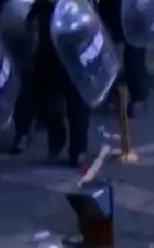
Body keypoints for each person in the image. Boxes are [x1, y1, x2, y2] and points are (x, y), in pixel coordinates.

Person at [20, 0, 91, 165]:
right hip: (49, 52)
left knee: (77, 104)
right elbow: (31, 18)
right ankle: (57, 141)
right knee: (49, 103)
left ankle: (78, 149)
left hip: (74, 50)